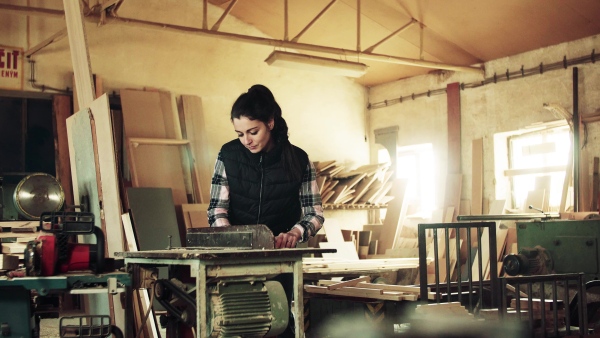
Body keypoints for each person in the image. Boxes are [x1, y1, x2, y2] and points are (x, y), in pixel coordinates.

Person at [207, 84, 324, 248]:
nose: (246, 141)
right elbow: (217, 209)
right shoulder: (228, 155)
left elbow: (314, 213)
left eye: (253, 132)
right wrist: (230, 236)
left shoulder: (299, 160)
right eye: (240, 134)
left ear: (270, 123)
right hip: (234, 253)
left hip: (280, 254)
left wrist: (295, 233)